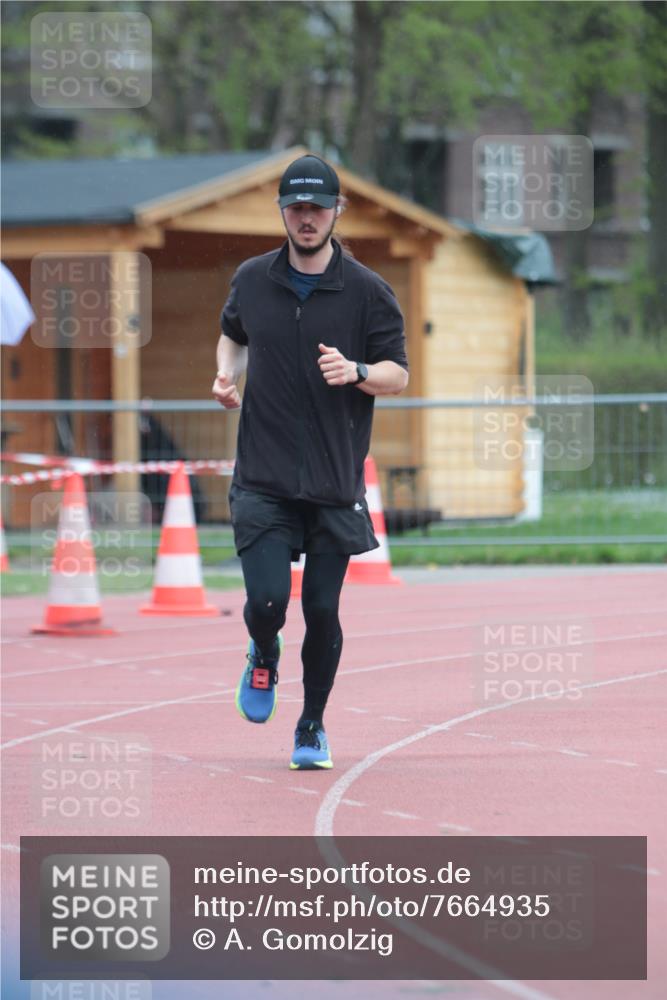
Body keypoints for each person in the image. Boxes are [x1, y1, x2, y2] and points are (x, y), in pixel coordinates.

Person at [213, 153, 409, 770]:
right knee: (269, 601)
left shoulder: (368, 292)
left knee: (322, 608)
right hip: (264, 476)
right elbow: (233, 334)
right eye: (295, 208)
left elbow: (397, 374)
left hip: (332, 477)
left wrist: (355, 372)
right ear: (282, 211)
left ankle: (311, 725)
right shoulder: (251, 278)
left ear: (336, 212)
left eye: (317, 208)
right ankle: (263, 652)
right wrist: (224, 374)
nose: (306, 218)